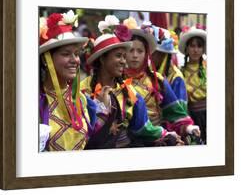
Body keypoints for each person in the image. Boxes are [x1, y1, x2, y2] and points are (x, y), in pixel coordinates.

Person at [81, 15, 181, 149]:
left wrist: (166, 134)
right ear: (102, 59)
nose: (124, 61)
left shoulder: (130, 93)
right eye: (118, 56)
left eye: (124, 56)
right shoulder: (82, 91)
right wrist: (101, 110)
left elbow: (143, 127)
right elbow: (80, 133)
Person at [123, 17, 200, 142]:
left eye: (140, 51)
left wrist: (188, 127)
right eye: (131, 50)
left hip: (157, 140)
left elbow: (175, 113)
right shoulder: (117, 81)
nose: (135, 55)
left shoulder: (157, 79)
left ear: (147, 54)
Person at [39, 10, 98, 151]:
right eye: (66, 54)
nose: (75, 60)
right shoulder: (34, 103)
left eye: (76, 54)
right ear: (46, 59)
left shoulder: (81, 99)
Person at [179, 26, 207, 143]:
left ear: (203, 49)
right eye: (192, 46)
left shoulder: (208, 68)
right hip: (191, 117)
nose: (196, 50)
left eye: (199, 46)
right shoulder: (180, 72)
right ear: (187, 49)